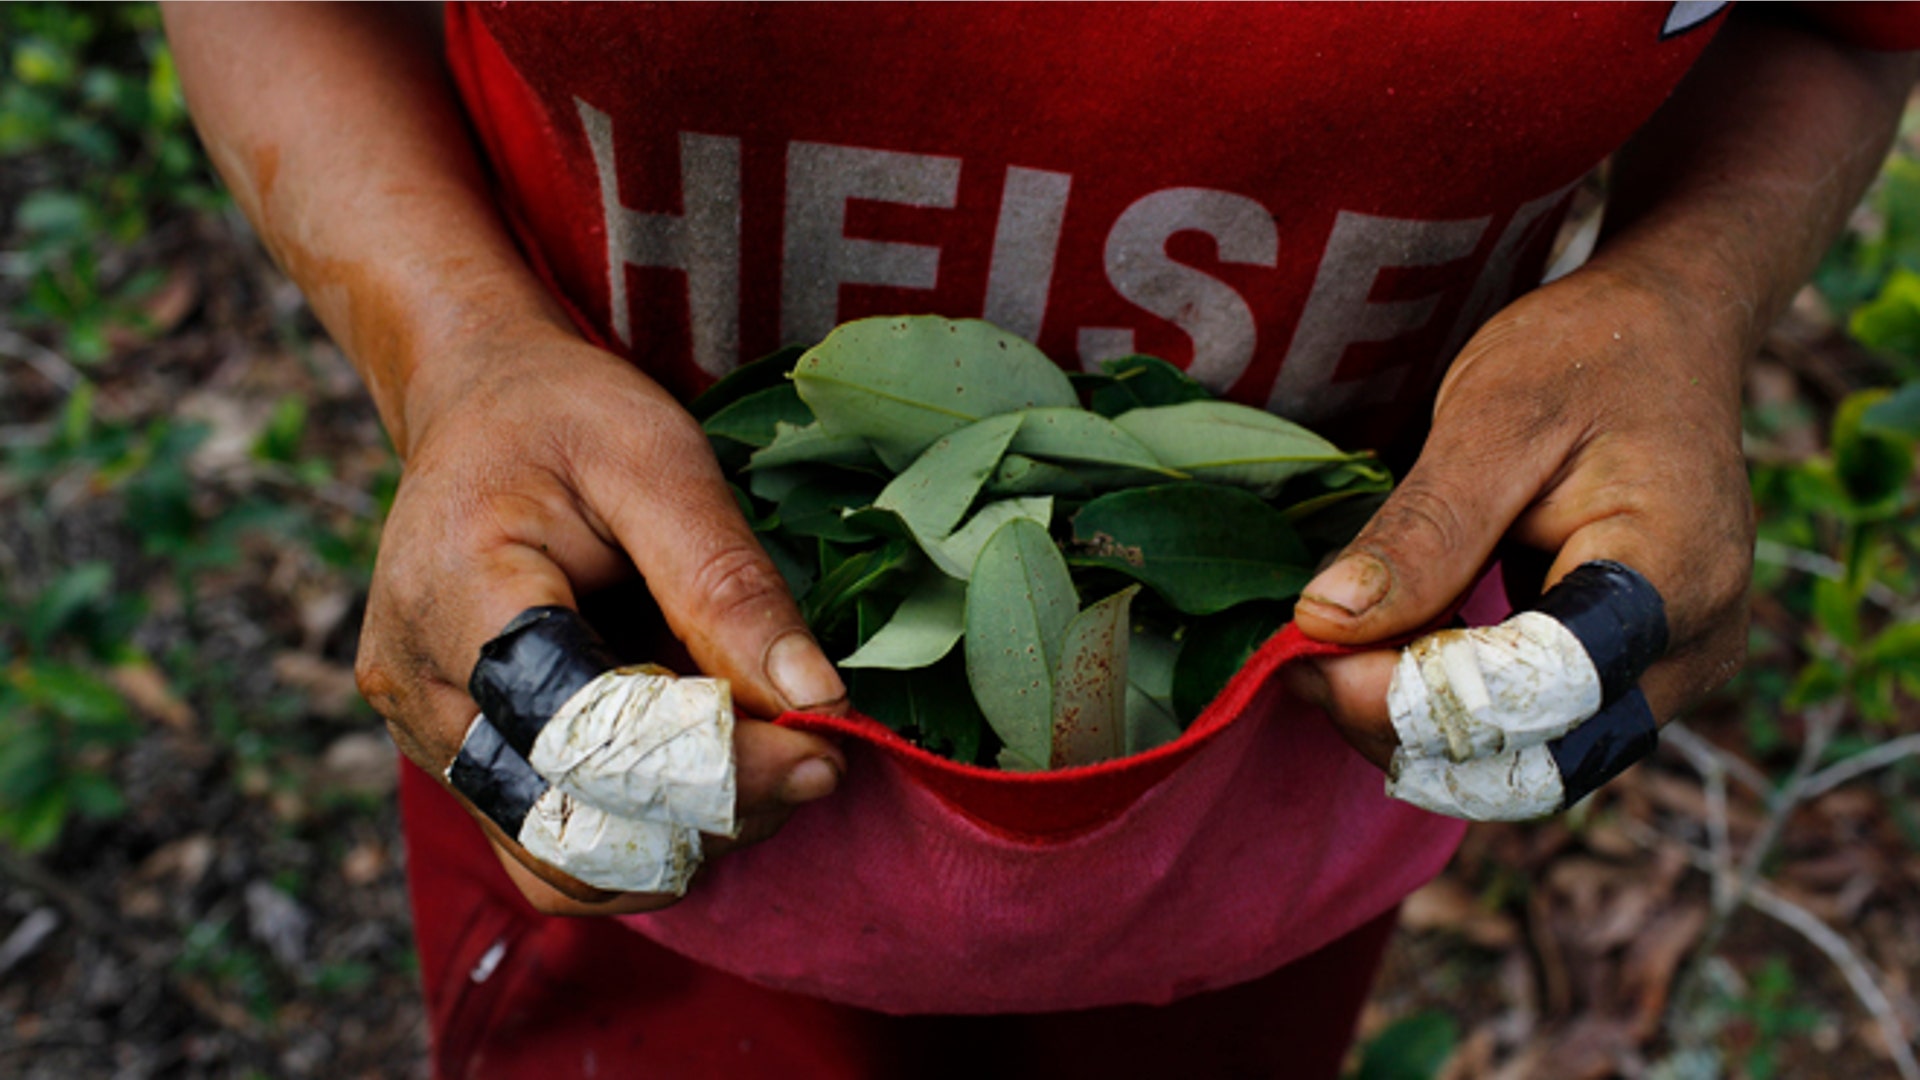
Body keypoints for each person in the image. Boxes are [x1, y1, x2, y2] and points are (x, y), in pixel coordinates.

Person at [163, 3, 1917, 1076]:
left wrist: (1685, 294)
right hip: (629, 758)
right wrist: (456, 348)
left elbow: (1841, 18)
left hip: (1264, 818)